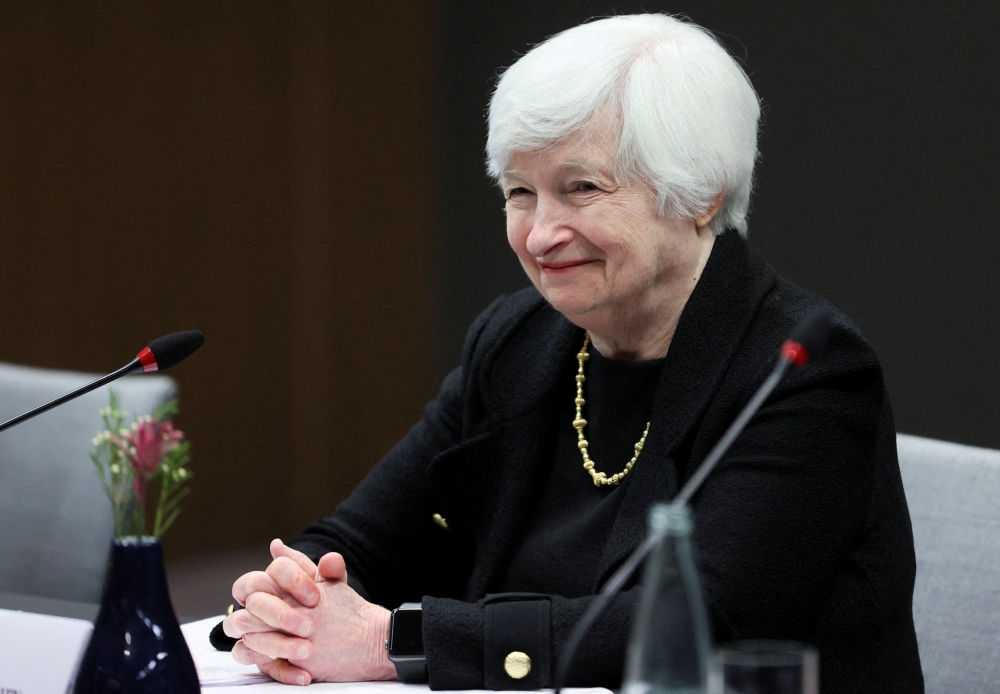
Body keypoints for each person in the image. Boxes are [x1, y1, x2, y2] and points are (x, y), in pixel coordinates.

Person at [221, 14, 924, 693]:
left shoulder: (804, 369)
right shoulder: (518, 340)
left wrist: (393, 642)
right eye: (520, 193)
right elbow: (363, 537)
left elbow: (702, 624)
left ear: (702, 194)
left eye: (581, 189)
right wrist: (295, 595)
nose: (540, 234)